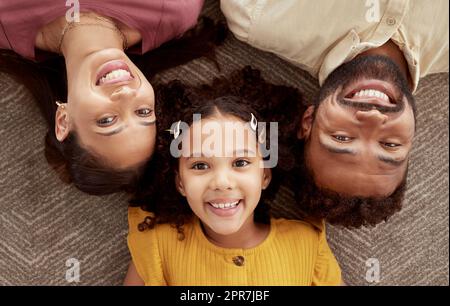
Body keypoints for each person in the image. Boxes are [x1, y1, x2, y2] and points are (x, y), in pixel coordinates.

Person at [220, 0, 449, 227]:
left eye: (341, 138)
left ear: (309, 120)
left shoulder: (257, 13)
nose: (373, 117)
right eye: (389, 144)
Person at [124, 68, 341, 285]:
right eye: (200, 165)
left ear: (265, 175)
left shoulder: (307, 244)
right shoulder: (158, 245)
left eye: (240, 163)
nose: (221, 182)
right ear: (180, 182)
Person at [0, 0, 225, 194]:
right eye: (143, 112)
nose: (126, 94)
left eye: (107, 120)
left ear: (63, 120)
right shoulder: (172, 10)